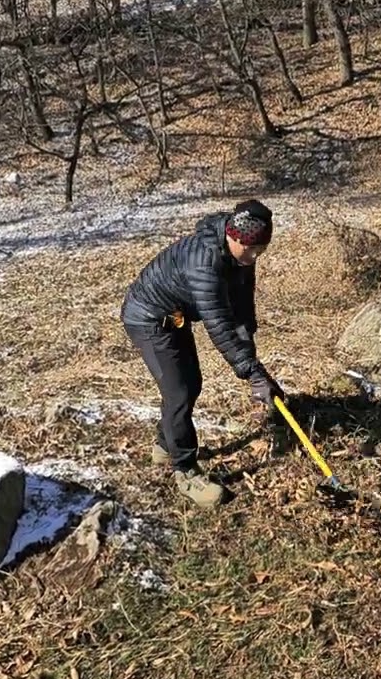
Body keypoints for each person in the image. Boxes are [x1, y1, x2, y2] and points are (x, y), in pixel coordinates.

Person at [121, 199, 285, 508]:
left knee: (190, 384)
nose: (253, 258)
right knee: (179, 391)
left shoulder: (239, 255)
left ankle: (164, 445)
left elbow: (240, 306)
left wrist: (254, 363)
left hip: (175, 316)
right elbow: (220, 323)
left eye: (259, 252)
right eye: (249, 250)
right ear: (232, 237)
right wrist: (251, 372)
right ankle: (185, 471)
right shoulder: (205, 263)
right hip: (148, 318)